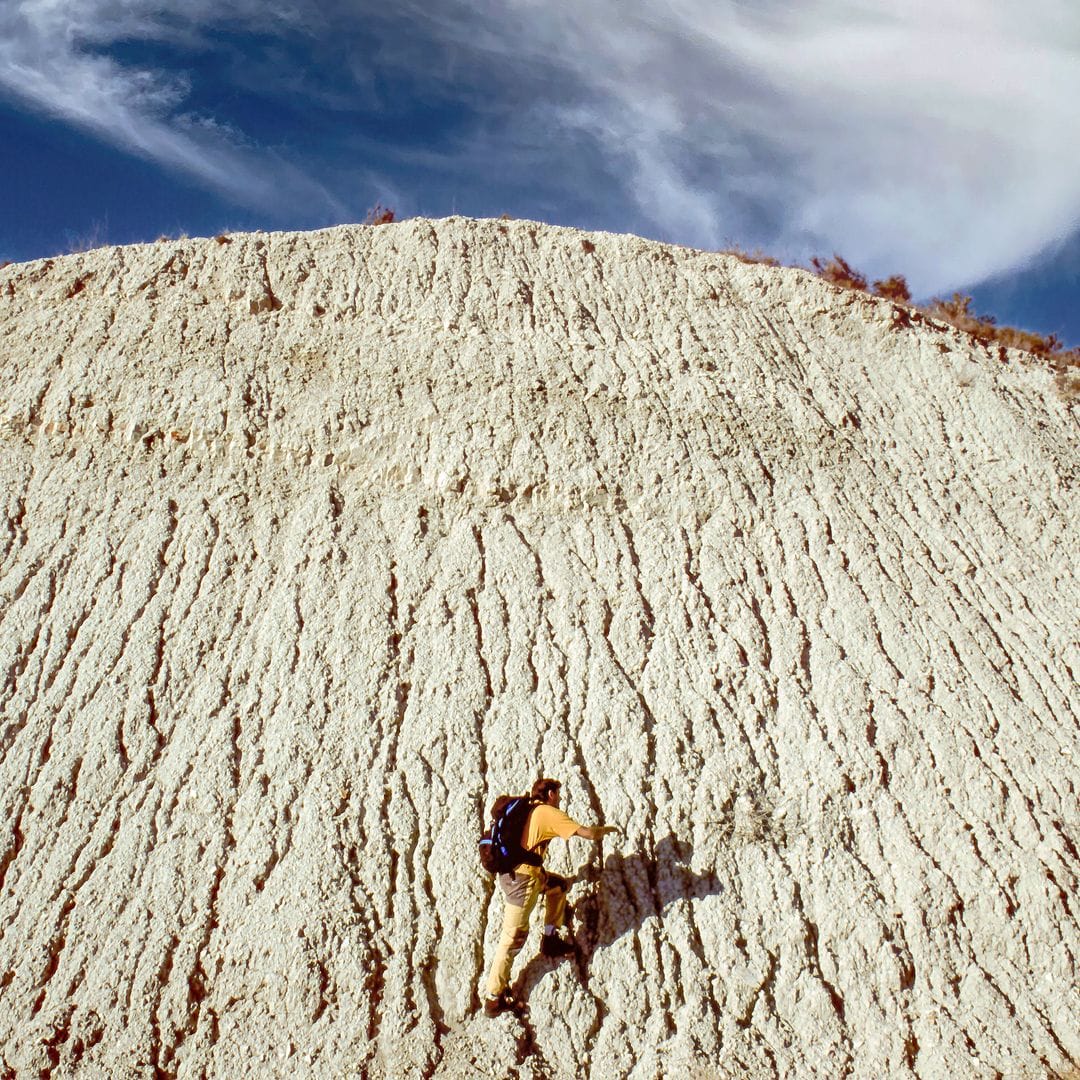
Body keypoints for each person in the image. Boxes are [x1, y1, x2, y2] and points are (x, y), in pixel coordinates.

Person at [484, 777, 617, 1018]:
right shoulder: (547, 812)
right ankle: (494, 998)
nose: (560, 801)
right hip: (522, 883)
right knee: (512, 938)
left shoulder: (527, 809)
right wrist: (608, 830)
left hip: (524, 876)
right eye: (559, 796)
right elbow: (587, 833)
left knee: (558, 887)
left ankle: (550, 938)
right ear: (552, 794)